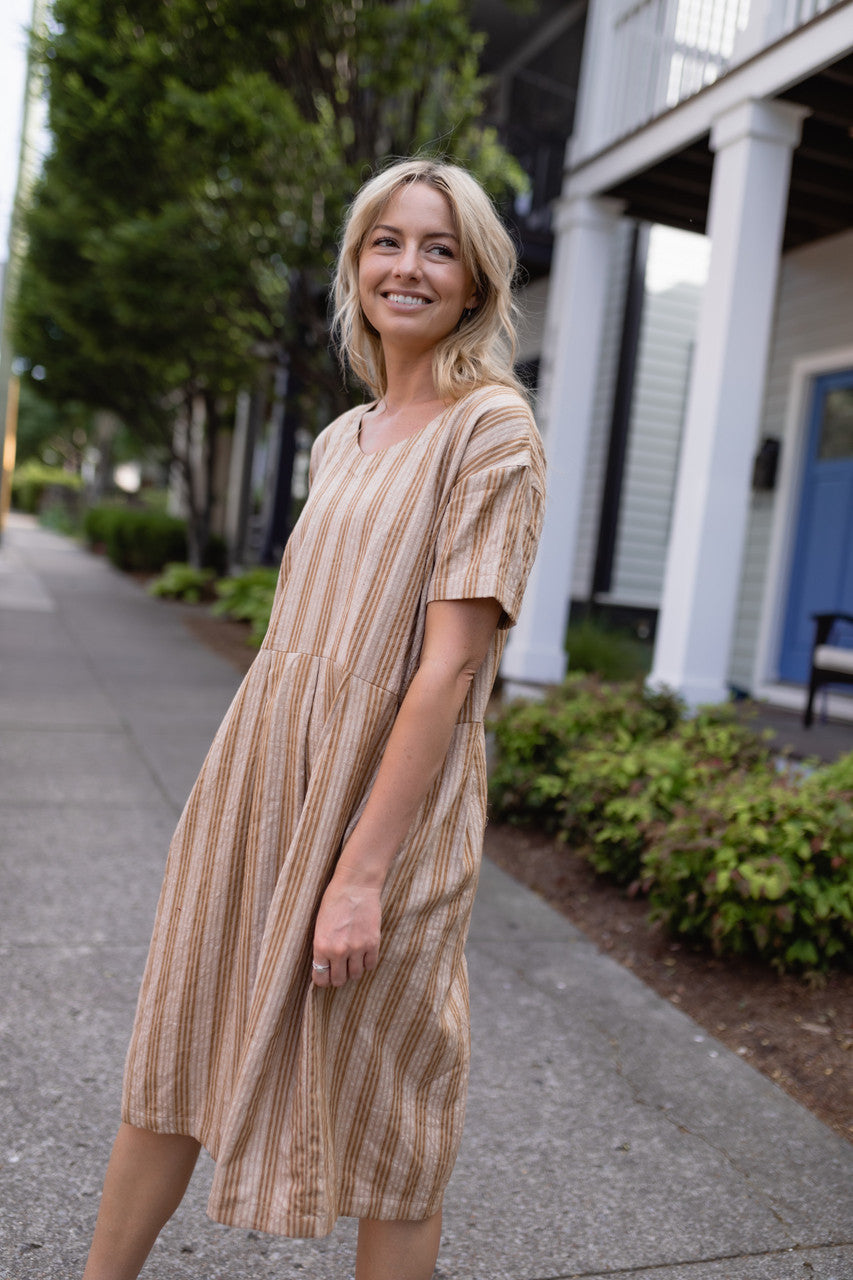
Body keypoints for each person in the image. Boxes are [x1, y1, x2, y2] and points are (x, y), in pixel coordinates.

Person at [82, 157, 546, 1280]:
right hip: (263, 777)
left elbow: (444, 675)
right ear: (356, 263)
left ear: (477, 283)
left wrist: (356, 874)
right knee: (179, 1040)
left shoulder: (492, 432)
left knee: (396, 1107)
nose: (409, 265)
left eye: (440, 248)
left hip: (389, 809)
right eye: (388, 240)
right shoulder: (343, 435)